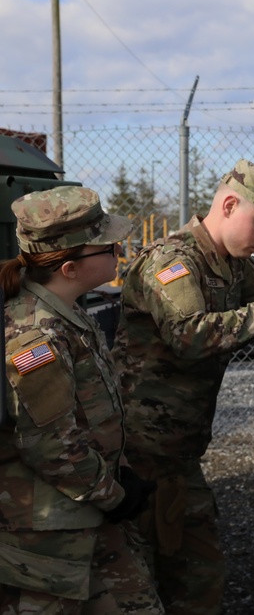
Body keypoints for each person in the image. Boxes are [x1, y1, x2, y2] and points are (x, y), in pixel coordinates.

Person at [114, 159, 254, 614]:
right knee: (140, 578)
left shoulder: (233, 264)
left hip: (178, 450)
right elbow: (189, 335)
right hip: (140, 451)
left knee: (196, 573)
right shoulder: (174, 261)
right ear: (230, 204)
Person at [0, 186, 164, 613]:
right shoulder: (37, 335)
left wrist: (117, 476)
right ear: (70, 267)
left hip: (83, 509)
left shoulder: (66, 313)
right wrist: (114, 495)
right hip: (48, 534)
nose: (118, 251)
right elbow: (51, 446)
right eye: (109, 246)